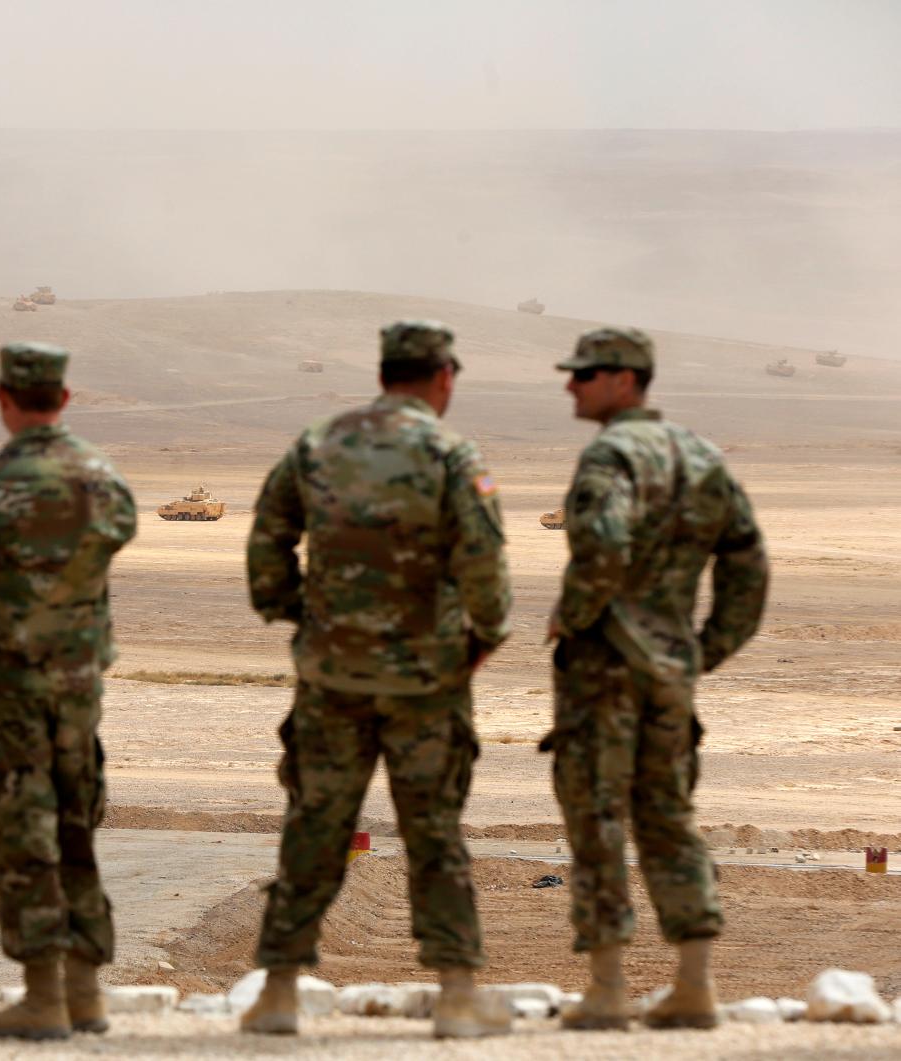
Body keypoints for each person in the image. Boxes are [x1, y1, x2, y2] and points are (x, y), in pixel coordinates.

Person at [240, 321, 513, 1039]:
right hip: (426, 678)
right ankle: (456, 994)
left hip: (332, 674)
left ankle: (277, 991)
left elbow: (268, 534)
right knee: (433, 828)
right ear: (443, 377)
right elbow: (484, 561)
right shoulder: (451, 453)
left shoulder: (319, 442)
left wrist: (296, 614)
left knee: (315, 823)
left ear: (386, 370)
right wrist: (479, 640)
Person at [545, 327, 768, 1031]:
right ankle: (693, 985)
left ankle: (608, 987)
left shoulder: (609, 456)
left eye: (583, 374)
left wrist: (571, 613)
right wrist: (703, 649)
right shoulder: (701, 456)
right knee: (669, 819)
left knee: (597, 818)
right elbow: (748, 565)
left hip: (605, 667)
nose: (571, 386)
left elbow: (604, 544)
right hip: (671, 671)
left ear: (623, 379)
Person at [0, 342, 137, 1041]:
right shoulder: (102, 478)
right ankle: (85, 990)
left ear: (3, 397)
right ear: (65, 397)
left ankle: (41, 995)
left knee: (19, 826)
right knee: (75, 819)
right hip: (78, 685)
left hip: (6, 685)